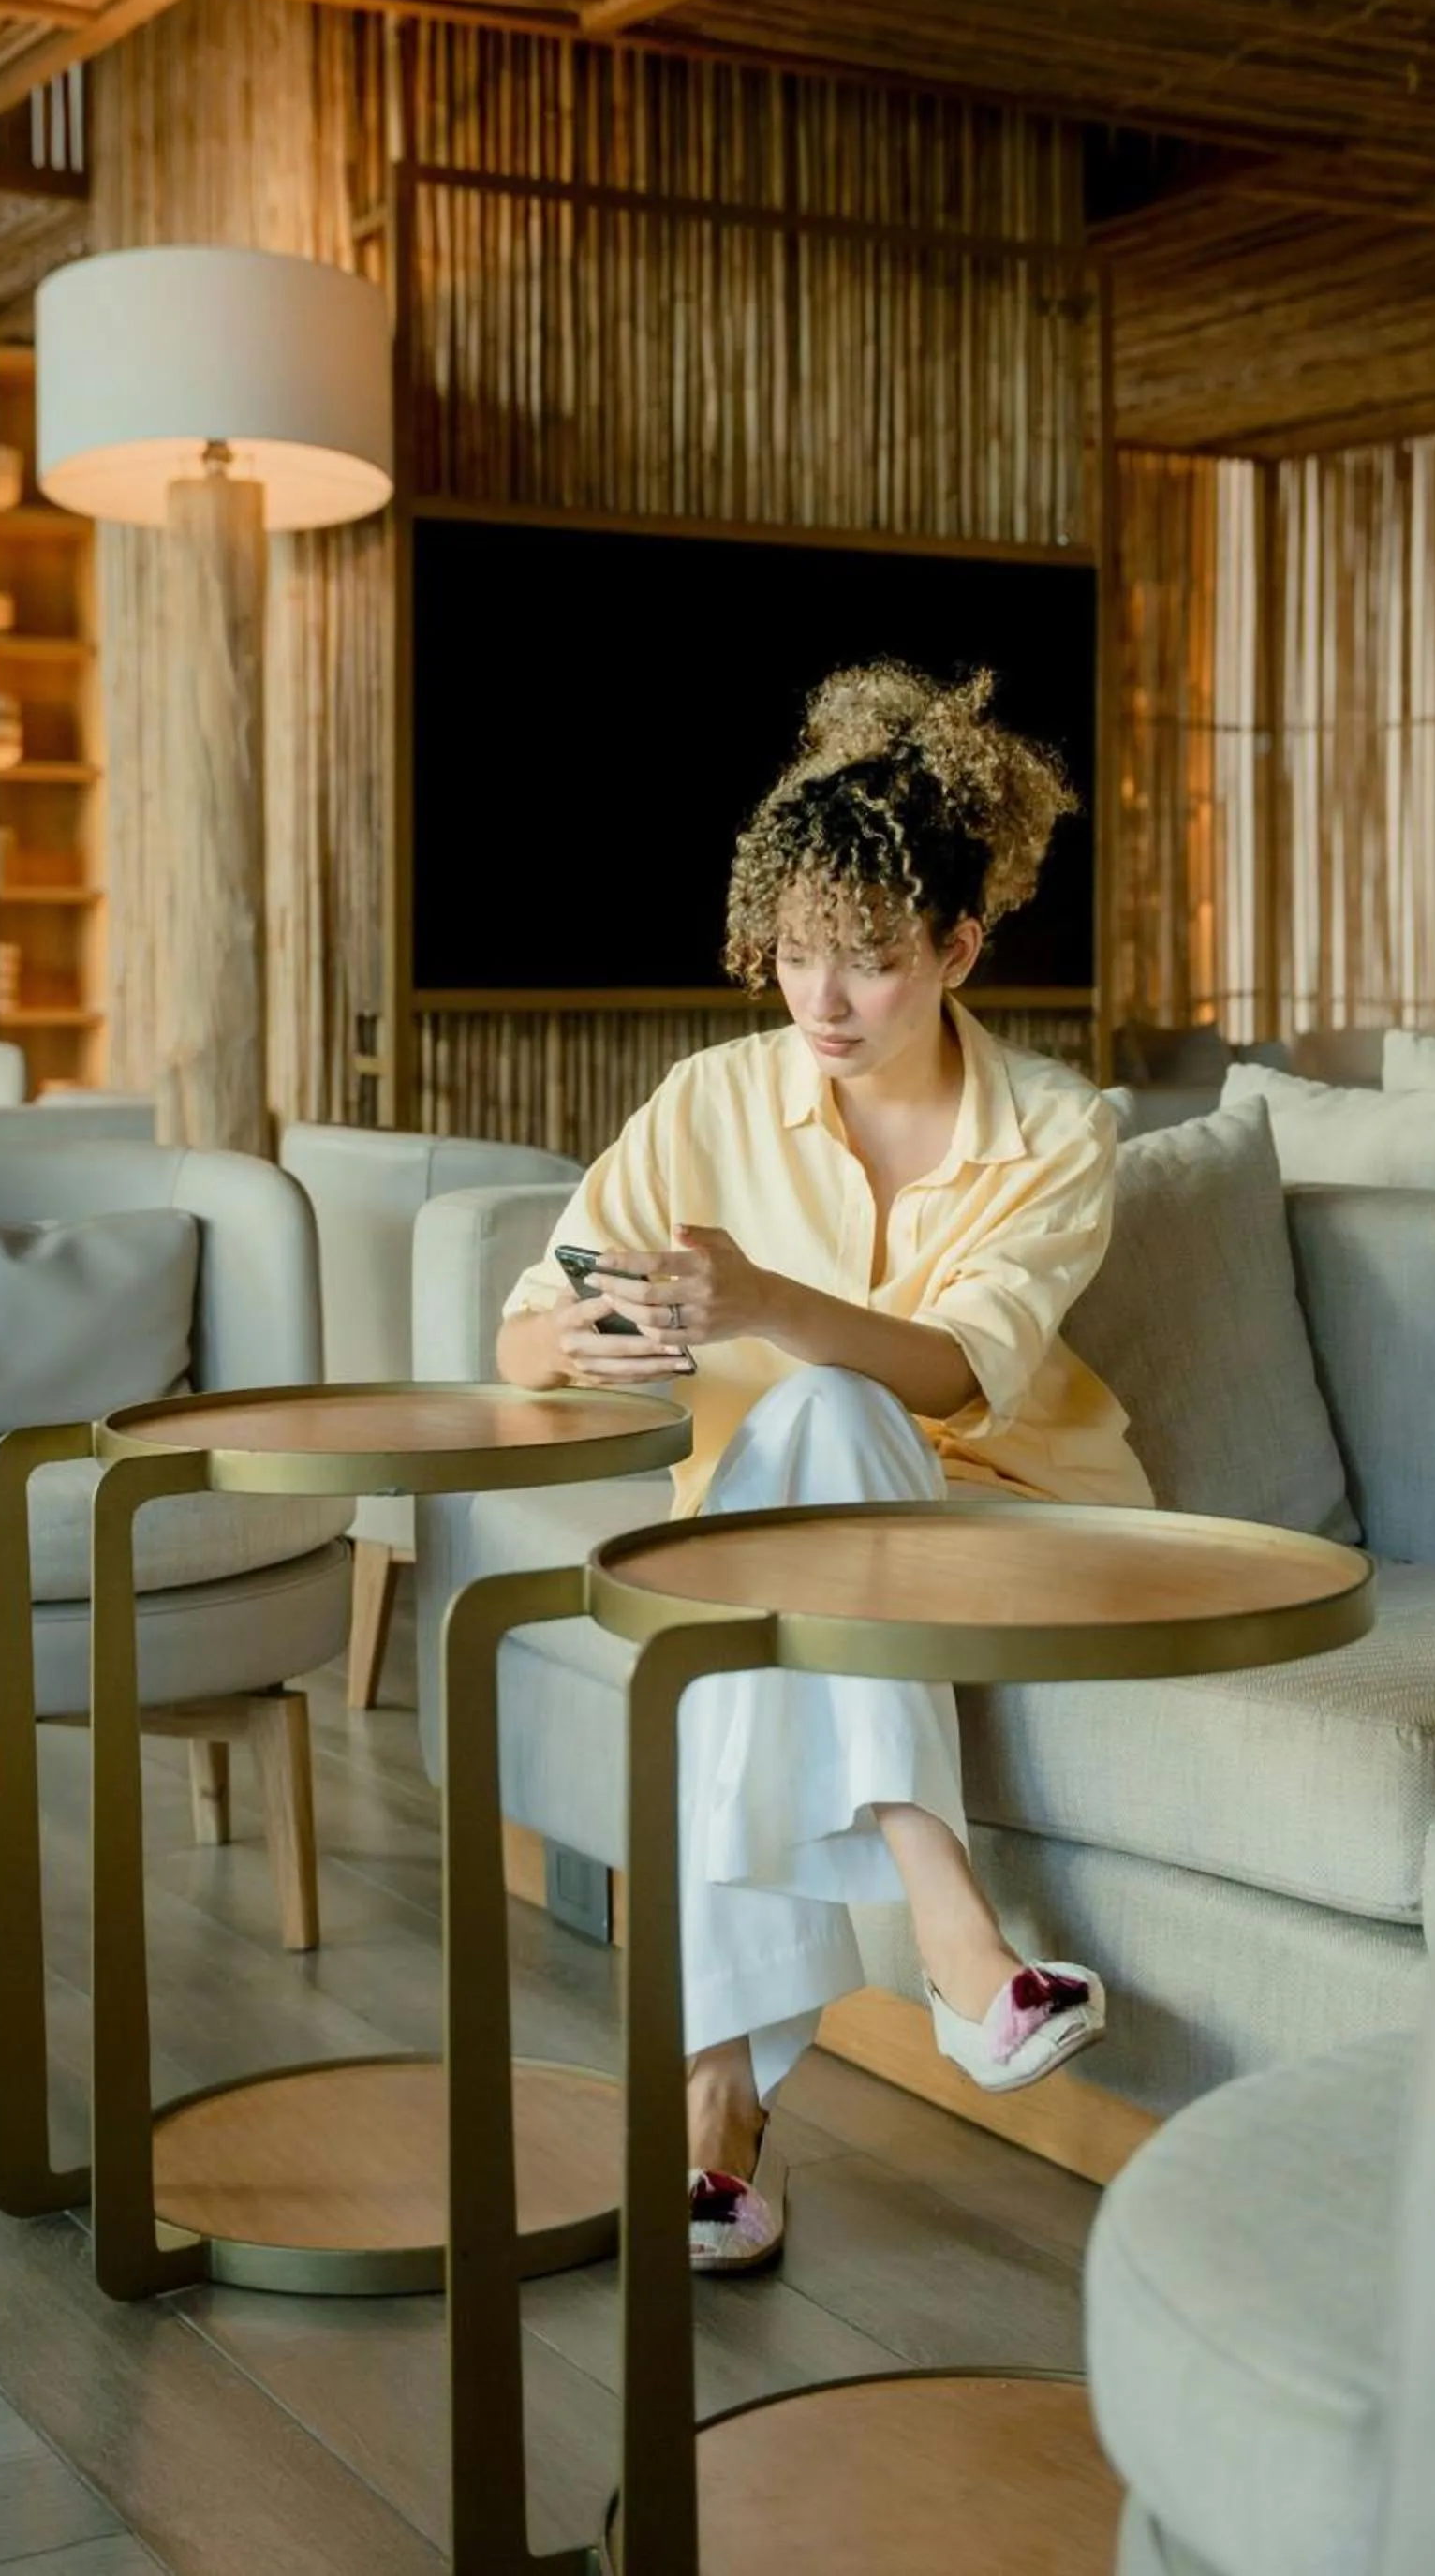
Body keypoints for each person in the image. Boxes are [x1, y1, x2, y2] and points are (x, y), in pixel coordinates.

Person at [496, 661, 1152, 2270]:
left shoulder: (1061, 1129)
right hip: (771, 1553)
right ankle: (961, 1953)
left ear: (956, 949)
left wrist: (770, 1306)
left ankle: (724, 2112)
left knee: (820, 1414)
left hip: (1008, 1539)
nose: (822, 1004)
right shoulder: (707, 1100)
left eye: (865, 962)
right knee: (767, 1535)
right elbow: (525, 1325)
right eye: (792, 957)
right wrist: (582, 1343)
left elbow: (948, 1368)